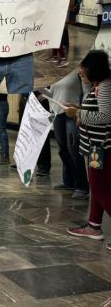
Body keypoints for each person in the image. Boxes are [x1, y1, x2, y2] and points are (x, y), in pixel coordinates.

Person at [66, 50, 111, 250]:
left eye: (83, 66)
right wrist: (78, 108)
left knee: (101, 189)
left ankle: (94, 226)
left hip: (102, 148)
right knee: (96, 186)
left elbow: (105, 116)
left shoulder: (106, 86)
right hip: (94, 147)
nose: (80, 70)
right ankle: (93, 226)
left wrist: (79, 113)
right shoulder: (98, 86)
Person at [39, 71, 89, 199]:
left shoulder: (78, 72)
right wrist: (37, 86)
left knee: (74, 150)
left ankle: (82, 186)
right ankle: (68, 181)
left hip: (71, 114)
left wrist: (80, 111)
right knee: (63, 150)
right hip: (57, 113)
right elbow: (53, 94)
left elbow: (86, 92)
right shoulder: (57, 72)